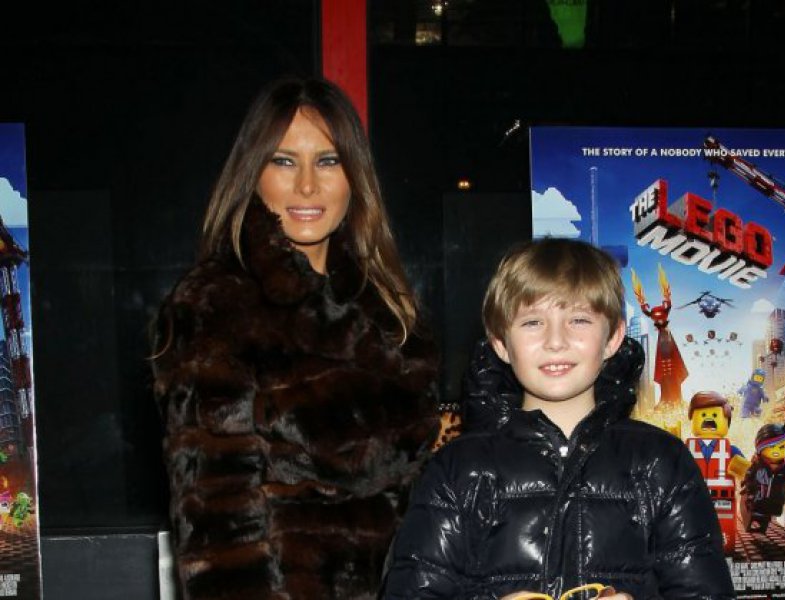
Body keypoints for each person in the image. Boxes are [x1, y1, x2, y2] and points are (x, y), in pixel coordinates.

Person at [151, 77, 440, 600]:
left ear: (354, 175)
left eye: (328, 161)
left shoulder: (387, 305)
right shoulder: (216, 306)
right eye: (284, 161)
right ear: (253, 173)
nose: (307, 186)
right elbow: (217, 528)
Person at [381, 238, 735, 599]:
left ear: (613, 337)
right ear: (501, 342)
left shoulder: (661, 462)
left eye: (578, 320)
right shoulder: (458, 468)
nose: (555, 341)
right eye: (532, 322)